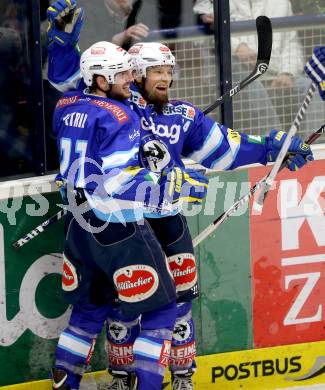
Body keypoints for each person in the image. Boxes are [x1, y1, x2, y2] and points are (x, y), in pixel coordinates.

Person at [47, 2, 314, 389]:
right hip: (127, 220)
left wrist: (274, 148)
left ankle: (181, 377)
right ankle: (128, 377)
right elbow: (69, 78)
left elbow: (226, 149)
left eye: (168, 71)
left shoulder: (180, 116)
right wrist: (61, 45)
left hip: (159, 218)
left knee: (177, 304)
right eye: (156, 71)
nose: (166, 79)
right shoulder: (118, 106)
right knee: (126, 307)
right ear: (133, 75)